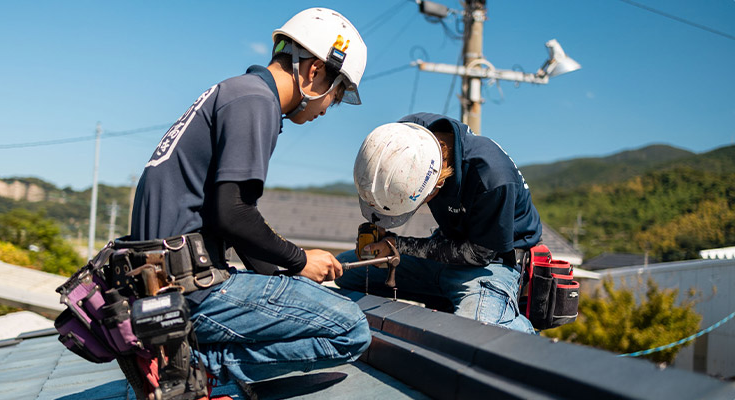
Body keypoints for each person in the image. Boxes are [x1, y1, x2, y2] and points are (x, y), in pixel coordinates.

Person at [128, 7, 371, 392]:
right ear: (315, 72)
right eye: (336, 96)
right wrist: (301, 260)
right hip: (192, 289)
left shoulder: (234, 92)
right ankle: (196, 367)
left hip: (159, 284)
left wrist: (287, 272)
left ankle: (184, 353)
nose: (327, 109)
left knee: (304, 295)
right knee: (352, 329)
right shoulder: (256, 102)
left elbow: (224, 214)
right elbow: (234, 213)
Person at [335, 112, 541, 334]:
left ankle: (524, 335)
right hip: (444, 250)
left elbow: (479, 255)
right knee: (345, 271)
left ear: (437, 183)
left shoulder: (493, 179)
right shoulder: (410, 137)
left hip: (491, 264)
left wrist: (399, 245)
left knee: (478, 330)